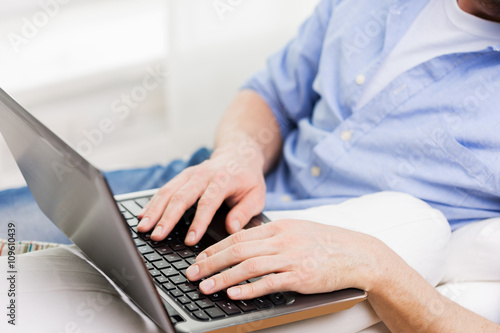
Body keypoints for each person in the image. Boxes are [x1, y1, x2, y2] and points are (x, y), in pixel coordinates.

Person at [1, 0, 499, 332]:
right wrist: (238, 153)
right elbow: (270, 95)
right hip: (220, 187)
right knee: (20, 215)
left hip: (295, 254)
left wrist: (381, 270)